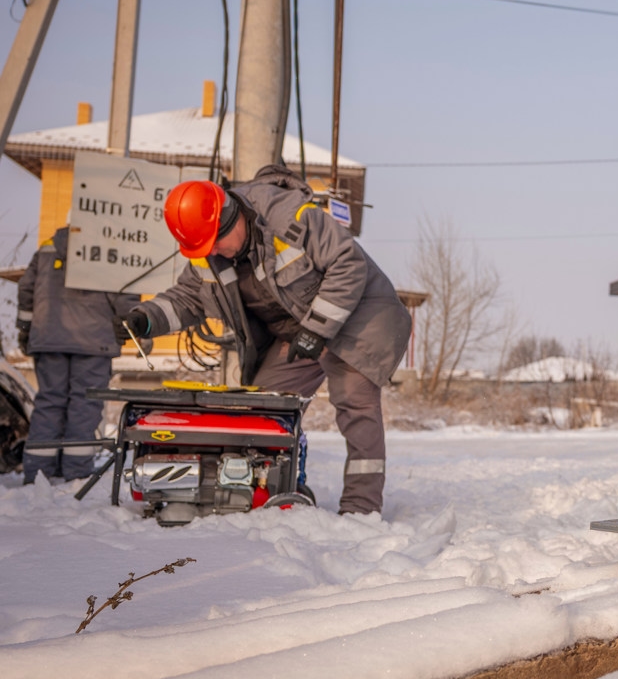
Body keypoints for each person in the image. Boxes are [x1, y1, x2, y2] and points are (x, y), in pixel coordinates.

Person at [125, 166, 411, 516]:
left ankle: (361, 509)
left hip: (357, 319)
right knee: (261, 411)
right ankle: (267, 491)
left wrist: (317, 329)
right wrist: (146, 318)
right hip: (297, 333)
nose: (213, 251)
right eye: (205, 247)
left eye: (216, 242)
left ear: (231, 218)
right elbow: (188, 298)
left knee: (355, 406)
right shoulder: (210, 253)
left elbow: (347, 263)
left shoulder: (289, 216)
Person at [16, 226, 141, 484]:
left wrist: (26, 330)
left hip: (49, 338)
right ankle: (76, 474)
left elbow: (26, 290)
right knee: (84, 405)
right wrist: (141, 331)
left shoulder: (48, 247)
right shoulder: (109, 250)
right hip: (93, 341)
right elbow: (123, 294)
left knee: (49, 401)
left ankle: (38, 473)